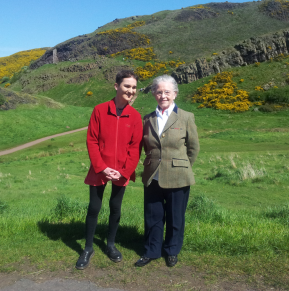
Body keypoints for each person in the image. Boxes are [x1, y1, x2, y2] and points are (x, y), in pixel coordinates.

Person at [76, 70, 143, 270]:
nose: (130, 91)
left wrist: (123, 171)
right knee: (94, 208)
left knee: (115, 207)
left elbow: (135, 147)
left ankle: (110, 245)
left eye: (133, 87)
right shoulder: (99, 110)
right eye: (126, 86)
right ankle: (88, 248)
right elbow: (92, 140)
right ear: (116, 86)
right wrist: (102, 167)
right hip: (100, 169)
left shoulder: (136, 116)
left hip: (122, 170)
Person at [135, 75, 199, 267]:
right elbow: (145, 146)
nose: (163, 95)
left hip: (179, 176)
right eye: (159, 91)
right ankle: (151, 251)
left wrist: (183, 166)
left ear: (175, 94)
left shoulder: (187, 117)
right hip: (153, 175)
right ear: (154, 93)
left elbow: (193, 148)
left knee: (175, 217)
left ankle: (172, 250)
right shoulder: (147, 118)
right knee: (153, 216)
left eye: (167, 92)